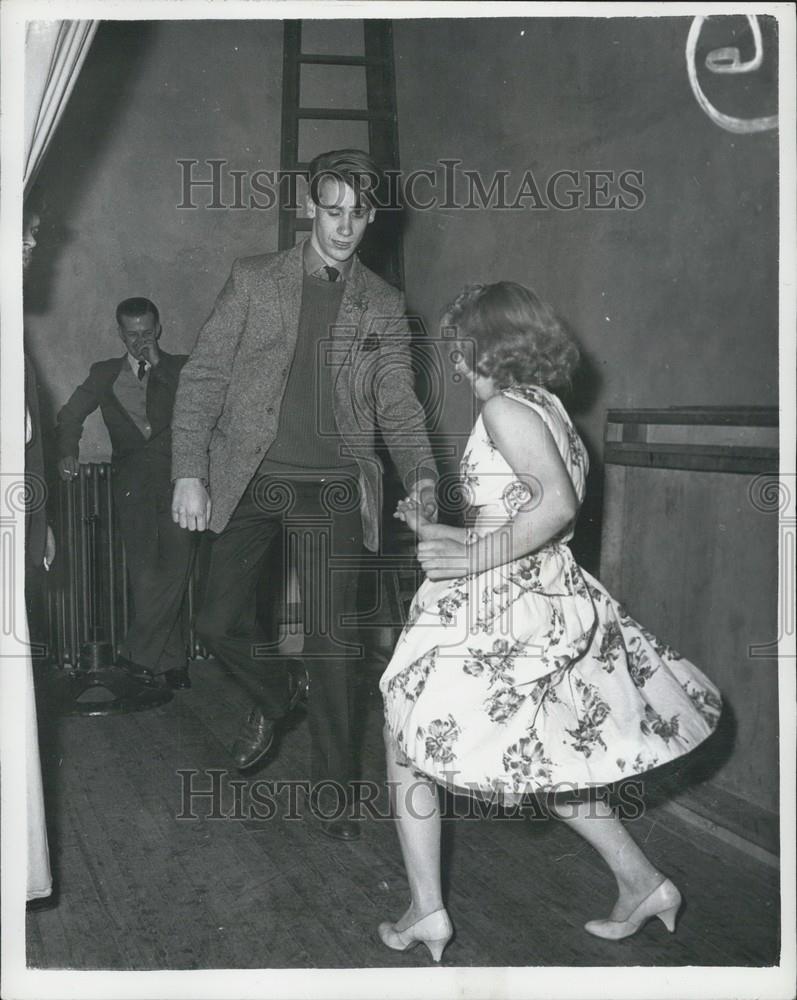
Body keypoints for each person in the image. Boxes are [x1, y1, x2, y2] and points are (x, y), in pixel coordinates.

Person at [378, 282, 722, 960]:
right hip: (539, 594)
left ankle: (426, 909)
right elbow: (521, 521)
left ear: (487, 346)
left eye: (458, 348)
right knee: (544, 757)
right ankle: (640, 881)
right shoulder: (548, 408)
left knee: (403, 733)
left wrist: (468, 555)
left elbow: (554, 508)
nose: (453, 364)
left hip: (505, 606)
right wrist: (439, 531)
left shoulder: (506, 409)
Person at [171, 148, 437, 841]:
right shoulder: (255, 279)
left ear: (371, 217)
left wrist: (425, 481)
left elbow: (398, 406)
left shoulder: (382, 303)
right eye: (331, 210)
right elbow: (202, 377)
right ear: (308, 208)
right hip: (253, 478)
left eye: (357, 214)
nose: (343, 227)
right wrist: (189, 472)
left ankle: (334, 798)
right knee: (215, 623)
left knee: (331, 642)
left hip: (334, 491)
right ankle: (276, 692)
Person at [56, 298, 194, 690]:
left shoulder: (181, 369)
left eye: (147, 332)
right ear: (120, 334)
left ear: (159, 330)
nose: (139, 341)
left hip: (180, 483)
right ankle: (171, 662)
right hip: (131, 485)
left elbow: (192, 410)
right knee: (145, 573)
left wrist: (160, 367)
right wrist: (68, 449)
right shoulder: (104, 374)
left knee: (177, 567)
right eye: (132, 334)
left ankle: (137, 653)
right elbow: (69, 415)